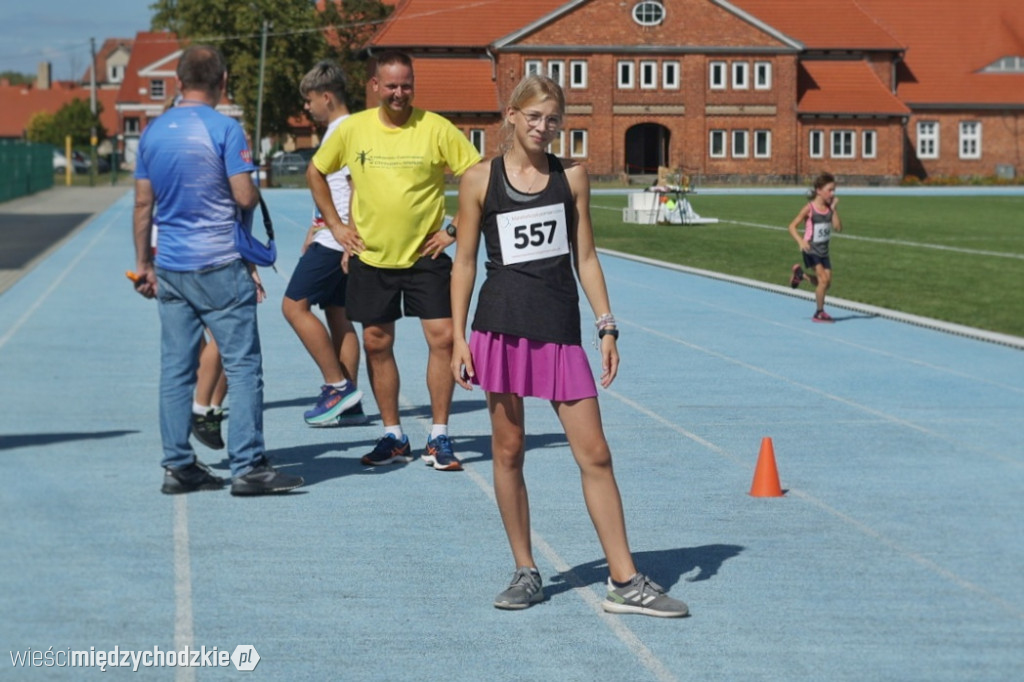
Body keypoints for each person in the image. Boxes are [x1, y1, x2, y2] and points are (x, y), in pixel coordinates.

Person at [449, 74, 689, 617]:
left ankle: (624, 581)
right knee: (508, 451)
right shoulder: (478, 181)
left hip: (560, 334)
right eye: (533, 116)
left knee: (596, 454)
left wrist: (607, 326)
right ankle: (525, 569)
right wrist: (458, 338)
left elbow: (585, 258)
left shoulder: (573, 179)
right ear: (511, 115)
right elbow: (463, 262)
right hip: (500, 330)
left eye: (553, 119)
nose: (543, 127)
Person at [132, 44, 303, 496]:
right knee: (243, 365)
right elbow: (244, 197)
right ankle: (247, 465)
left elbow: (142, 203)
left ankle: (178, 465)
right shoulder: (226, 129)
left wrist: (142, 264)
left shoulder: (152, 133)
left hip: (170, 264)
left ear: (177, 81)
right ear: (223, 81)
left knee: (176, 369)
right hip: (219, 262)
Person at [307, 50, 481, 471]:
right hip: (371, 257)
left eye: (406, 84)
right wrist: (336, 226)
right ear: (374, 86)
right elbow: (316, 173)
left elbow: (479, 176)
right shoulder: (354, 130)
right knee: (375, 342)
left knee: (442, 339)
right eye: (391, 85)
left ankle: (439, 435)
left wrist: (453, 229)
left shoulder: (436, 128)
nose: (399, 92)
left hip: (426, 255)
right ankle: (393, 435)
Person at [282, 60, 366, 427]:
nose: (307, 107)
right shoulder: (349, 129)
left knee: (293, 307)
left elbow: (359, 187)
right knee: (339, 315)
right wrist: (318, 223)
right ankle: (351, 403)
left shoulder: (343, 133)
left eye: (310, 100)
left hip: (337, 243)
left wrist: (346, 234)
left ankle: (337, 387)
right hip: (334, 235)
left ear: (327, 97)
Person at [788, 172, 843, 322]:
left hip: (824, 251)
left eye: (834, 191)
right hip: (810, 249)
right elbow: (792, 226)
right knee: (823, 281)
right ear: (819, 190)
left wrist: (834, 209)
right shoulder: (809, 208)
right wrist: (800, 241)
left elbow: (838, 227)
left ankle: (801, 275)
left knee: (825, 283)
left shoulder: (829, 209)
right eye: (829, 190)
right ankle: (819, 312)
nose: (832, 193)